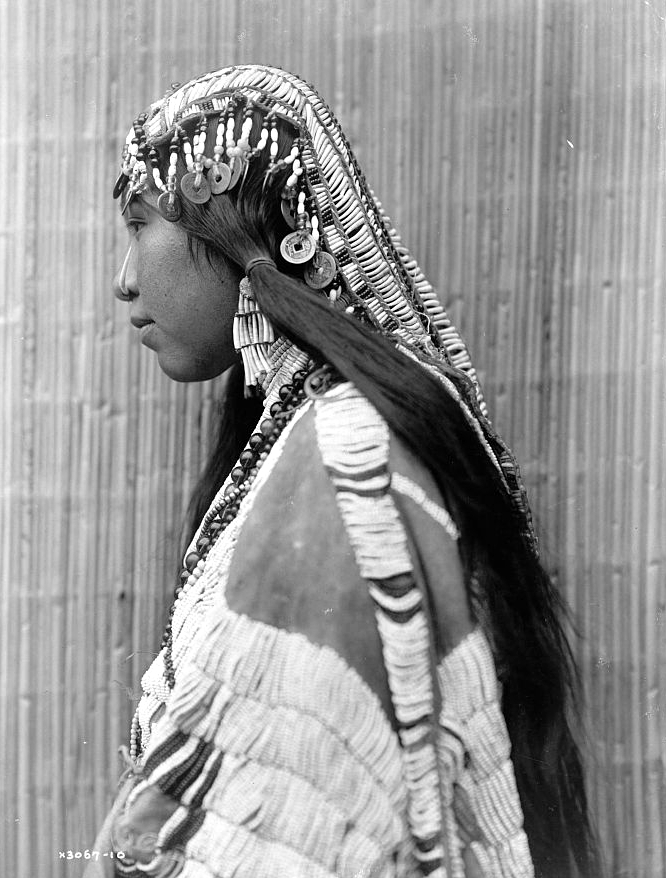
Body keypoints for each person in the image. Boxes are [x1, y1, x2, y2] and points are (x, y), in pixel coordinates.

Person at [89, 65, 601, 878]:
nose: (123, 278)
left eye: (139, 222)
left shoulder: (342, 462)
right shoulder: (307, 441)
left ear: (238, 228)